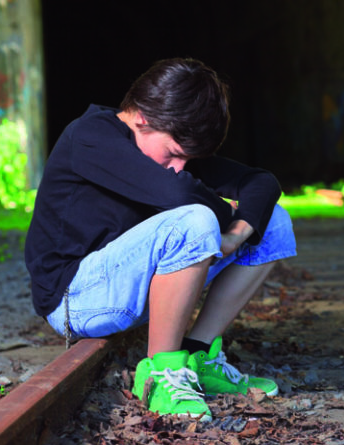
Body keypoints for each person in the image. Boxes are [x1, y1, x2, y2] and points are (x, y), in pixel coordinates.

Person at [25, 57, 297, 422]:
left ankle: (198, 355)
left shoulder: (167, 143)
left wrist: (236, 234)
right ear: (142, 118)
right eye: (173, 155)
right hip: (74, 299)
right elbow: (177, 194)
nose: (179, 168)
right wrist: (222, 212)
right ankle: (162, 374)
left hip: (134, 287)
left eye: (188, 159)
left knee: (274, 222)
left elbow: (262, 182)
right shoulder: (90, 137)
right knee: (195, 219)